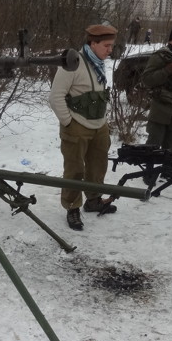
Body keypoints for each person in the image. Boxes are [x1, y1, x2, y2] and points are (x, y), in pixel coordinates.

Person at [49, 24, 118, 231]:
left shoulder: (98, 63)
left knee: (98, 166)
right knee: (74, 169)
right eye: (106, 45)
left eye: (111, 46)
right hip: (77, 125)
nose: (110, 50)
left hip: (99, 125)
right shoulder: (72, 64)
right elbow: (55, 96)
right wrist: (68, 122)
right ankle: (72, 207)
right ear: (92, 43)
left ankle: (93, 200)